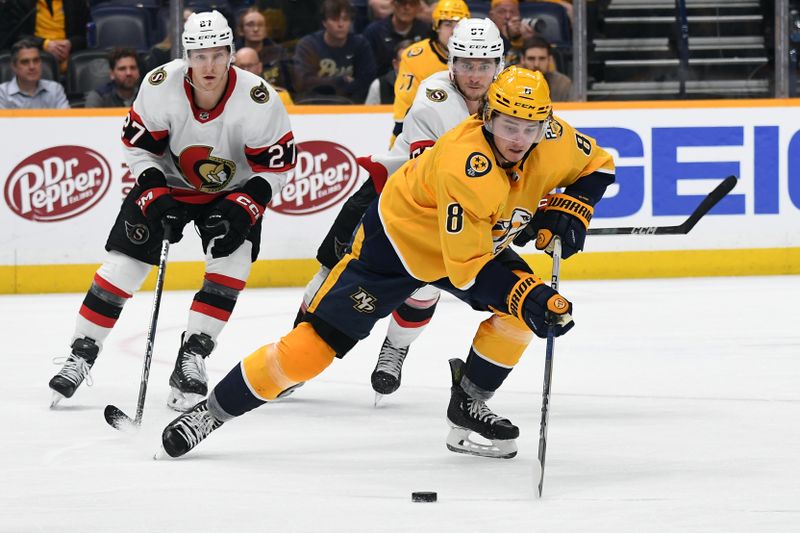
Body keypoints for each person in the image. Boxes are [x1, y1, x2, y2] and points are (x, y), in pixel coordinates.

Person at [158, 65, 616, 460]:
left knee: (521, 316)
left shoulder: (553, 138)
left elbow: (599, 165)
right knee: (311, 349)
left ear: (547, 124)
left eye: (530, 128)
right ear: (487, 117)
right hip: (396, 247)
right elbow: (464, 269)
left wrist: (573, 205)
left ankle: (469, 402)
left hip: (473, 245)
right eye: (509, 126)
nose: (519, 138)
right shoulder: (467, 165)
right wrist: (529, 293)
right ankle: (211, 413)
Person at [47, 11, 296, 412]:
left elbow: (277, 165)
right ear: (186, 57)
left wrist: (246, 204)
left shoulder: (258, 98)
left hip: (231, 192)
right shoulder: (160, 85)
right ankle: (82, 352)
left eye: (218, 54)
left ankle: (192, 356)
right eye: (199, 55)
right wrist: (155, 192)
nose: (209, 65)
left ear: (231, 54)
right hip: (168, 184)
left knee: (231, 266)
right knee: (122, 268)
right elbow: (138, 147)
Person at [300, 18, 504, 404]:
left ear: (499, 64)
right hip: (387, 196)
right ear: (451, 63)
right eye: (466, 64)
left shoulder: (509, 101)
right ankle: (300, 341)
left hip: (447, 211)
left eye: (484, 65)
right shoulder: (435, 96)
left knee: (425, 285)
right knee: (331, 271)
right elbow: (443, 178)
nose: (475, 75)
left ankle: (395, 347)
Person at [391, 0, 469, 142]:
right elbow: (405, 104)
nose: (453, 31)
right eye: (447, 24)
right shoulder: (415, 57)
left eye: (459, 25)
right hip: (420, 132)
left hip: (463, 132)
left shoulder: (477, 58)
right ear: (436, 27)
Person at [292, 0, 377, 103]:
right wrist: (341, 81)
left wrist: (322, 83)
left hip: (351, 105)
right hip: (312, 105)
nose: (341, 24)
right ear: (324, 22)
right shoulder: (308, 45)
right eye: (335, 19)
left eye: (345, 19)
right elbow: (302, 83)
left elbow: (367, 82)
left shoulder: (360, 44)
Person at [0, 0, 89, 71]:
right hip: (34, 57)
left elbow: (86, 35)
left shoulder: (76, 2)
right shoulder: (18, 2)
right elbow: (11, 36)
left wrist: (71, 43)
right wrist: (44, 44)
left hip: (68, 59)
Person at [362, 0, 428, 78]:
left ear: (418, 7)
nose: (407, 7)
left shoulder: (426, 31)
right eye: (402, 3)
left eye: (413, 3)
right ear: (393, 4)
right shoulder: (374, 32)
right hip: (382, 85)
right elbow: (367, 70)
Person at [234, 8, 292, 94]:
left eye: (260, 25)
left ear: (266, 30)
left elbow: (291, 87)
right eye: (250, 25)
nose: (256, 29)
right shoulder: (231, 55)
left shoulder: (279, 54)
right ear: (241, 31)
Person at [0, 39, 68, 109]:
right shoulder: (2, 94)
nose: (32, 67)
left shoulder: (55, 89)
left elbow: (66, 119)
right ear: (14, 67)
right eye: (25, 62)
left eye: (36, 60)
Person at [519, 36, 572, 102]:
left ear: (549, 60)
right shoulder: (510, 83)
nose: (536, 64)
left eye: (542, 59)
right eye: (531, 59)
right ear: (522, 60)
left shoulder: (562, 84)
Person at [364, 39, 410, 105]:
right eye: (404, 61)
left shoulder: (428, 84)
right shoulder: (378, 85)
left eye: (414, 60)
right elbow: (368, 114)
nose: (410, 64)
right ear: (395, 64)